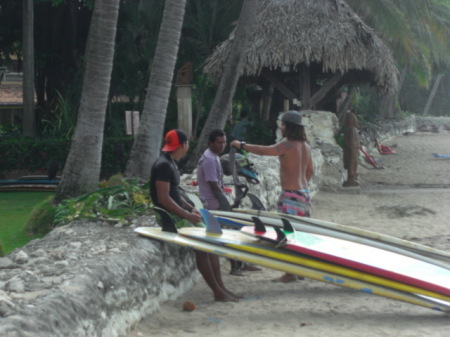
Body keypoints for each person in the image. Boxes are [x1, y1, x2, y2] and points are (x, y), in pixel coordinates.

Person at [150, 129, 239, 301]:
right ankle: (218, 292)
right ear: (183, 145)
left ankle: (221, 288)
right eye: (187, 144)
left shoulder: (170, 162)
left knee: (211, 242)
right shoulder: (163, 165)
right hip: (169, 217)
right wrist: (187, 215)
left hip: (179, 213)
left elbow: (175, 193)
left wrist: (190, 207)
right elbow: (163, 198)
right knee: (204, 247)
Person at [230, 110, 314, 283]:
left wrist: (242, 145)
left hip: (290, 195)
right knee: (301, 235)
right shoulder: (306, 147)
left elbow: (265, 151)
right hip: (304, 194)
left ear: (288, 127)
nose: (281, 127)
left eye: (283, 124)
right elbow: (310, 171)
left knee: (286, 234)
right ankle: (300, 270)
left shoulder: (287, 145)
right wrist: (301, 186)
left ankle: (290, 273)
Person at [197, 129, 260, 276]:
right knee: (230, 234)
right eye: (219, 142)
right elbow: (213, 184)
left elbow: (216, 182)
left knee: (233, 232)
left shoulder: (213, 157)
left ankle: (240, 264)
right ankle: (236, 267)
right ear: (210, 143)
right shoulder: (210, 159)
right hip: (214, 203)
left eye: (224, 142)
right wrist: (224, 202)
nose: (222, 145)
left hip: (215, 200)